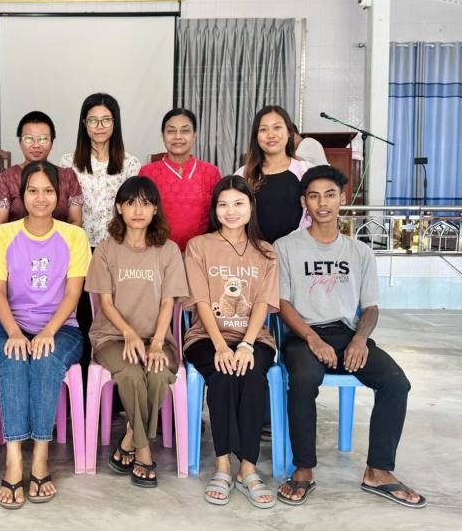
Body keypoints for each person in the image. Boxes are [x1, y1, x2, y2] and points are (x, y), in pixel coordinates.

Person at [274, 165, 425, 508]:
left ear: (342, 199)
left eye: (329, 195)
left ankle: (378, 471)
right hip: (303, 336)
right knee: (303, 380)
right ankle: (304, 469)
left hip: (347, 334)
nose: (322, 203)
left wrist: (359, 340)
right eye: (314, 196)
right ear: (304, 202)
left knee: (396, 383)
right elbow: (282, 304)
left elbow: (370, 308)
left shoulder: (360, 252)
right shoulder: (286, 247)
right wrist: (312, 339)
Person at [0, 161, 90, 509]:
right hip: (8, 326)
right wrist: (15, 333)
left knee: (45, 357)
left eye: (48, 191)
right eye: (33, 191)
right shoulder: (3, 235)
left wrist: (47, 332)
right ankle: (14, 459)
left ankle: (41, 455)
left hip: (62, 329)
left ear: (58, 196)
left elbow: (72, 295)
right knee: (13, 358)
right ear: (22, 195)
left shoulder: (74, 237)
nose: (40, 198)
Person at [86, 176, 188, 488]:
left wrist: (156, 343)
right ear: (119, 208)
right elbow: (105, 302)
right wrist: (129, 334)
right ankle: (144, 452)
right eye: (131, 203)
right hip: (112, 337)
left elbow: (168, 301)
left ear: (156, 209)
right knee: (131, 374)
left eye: (145, 203)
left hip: (156, 337)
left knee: (157, 373)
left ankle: (130, 439)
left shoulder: (168, 250)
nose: (138, 210)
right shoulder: (106, 249)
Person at [183, 175, 279, 509]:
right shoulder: (198, 246)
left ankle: (247, 468)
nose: (231, 211)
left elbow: (263, 303)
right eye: (223, 204)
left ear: (251, 207)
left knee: (252, 377)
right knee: (222, 375)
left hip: (254, 338)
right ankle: (223, 465)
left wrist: (247, 345)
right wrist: (221, 346)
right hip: (206, 337)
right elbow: (201, 301)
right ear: (215, 209)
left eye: (238, 203)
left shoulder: (266, 252)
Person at [59, 92, 140, 248]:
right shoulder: (68, 163)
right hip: (80, 246)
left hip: (119, 246)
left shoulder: (130, 163)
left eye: (106, 120)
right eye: (93, 120)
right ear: (84, 123)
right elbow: (62, 210)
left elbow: (134, 209)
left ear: (115, 122)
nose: (100, 126)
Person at [140, 108, 221, 252]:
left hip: (201, 252)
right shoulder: (147, 173)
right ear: (163, 136)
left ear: (194, 136)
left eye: (185, 131)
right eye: (171, 131)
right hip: (158, 251)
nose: (178, 136)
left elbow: (219, 216)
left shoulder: (211, 172)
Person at [0, 110, 83, 227]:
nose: (36, 145)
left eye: (43, 139)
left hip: (62, 239)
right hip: (15, 239)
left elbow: (75, 222)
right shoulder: (5, 178)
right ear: (20, 143)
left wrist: (55, 239)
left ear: (52, 143)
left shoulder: (67, 177)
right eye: (29, 139)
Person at [235, 105, 310, 244]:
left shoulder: (305, 170)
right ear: (256, 136)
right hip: (253, 251)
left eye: (277, 127)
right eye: (263, 129)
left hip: (297, 250)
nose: (271, 135)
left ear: (289, 132)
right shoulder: (243, 174)